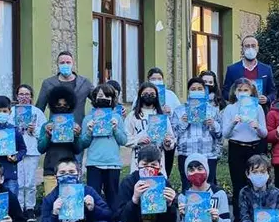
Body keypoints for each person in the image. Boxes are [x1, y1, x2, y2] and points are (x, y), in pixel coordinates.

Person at [221, 78, 267, 222]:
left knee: (257, 183)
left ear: (252, 92)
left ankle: (259, 220)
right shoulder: (230, 109)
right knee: (238, 186)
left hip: (254, 148)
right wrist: (233, 123)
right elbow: (224, 134)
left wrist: (257, 126)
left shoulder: (258, 108)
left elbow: (264, 133)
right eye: (239, 90)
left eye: (246, 90)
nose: (242, 93)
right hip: (236, 148)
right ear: (234, 92)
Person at [79, 84, 128, 212]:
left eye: (107, 96)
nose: (103, 98)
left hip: (112, 164)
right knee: (93, 198)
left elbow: (123, 140)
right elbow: (82, 143)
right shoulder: (88, 118)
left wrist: (115, 128)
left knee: (113, 198)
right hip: (94, 163)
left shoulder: (117, 118)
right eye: (100, 95)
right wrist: (89, 131)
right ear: (94, 98)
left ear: (112, 99)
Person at [171, 78, 223, 192]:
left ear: (205, 91)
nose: (196, 91)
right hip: (186, 154)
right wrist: (183, 122)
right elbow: (173, 134)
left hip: (208, 155)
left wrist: (213, 124)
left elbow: (220, 135)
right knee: (188, 188)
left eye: (200, 89)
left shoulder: (212, 110)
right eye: (193, 89)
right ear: (188, 92)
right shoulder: (179, 111)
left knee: (208, 188)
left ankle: (210, 210)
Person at [36, 51, 94, 143]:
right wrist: (39, 130)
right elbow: (39, 108)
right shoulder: (48, 83)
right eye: (62, 63)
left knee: (77, 156)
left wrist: (116, 107)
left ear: (73, 63)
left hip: (77, 130)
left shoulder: (84, 82)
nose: (65, 65)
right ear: (57, 65)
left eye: (68, 62)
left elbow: (98, 99)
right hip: (55, 130)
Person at [9, 84, 48, 222]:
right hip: (15, 151)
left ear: (31, 97)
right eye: (21, 94)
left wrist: (33, 130)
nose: (24, 97)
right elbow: (6, 133)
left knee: (30, 181)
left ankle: (30, 208)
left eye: (27, 94)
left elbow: (44, 134)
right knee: (19, 181)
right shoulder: (11, 112)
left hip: (32, 150)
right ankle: (19, 207)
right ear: (16, 96)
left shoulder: (37, 112)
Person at [37, 86, 82, 195]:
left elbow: (78, 149)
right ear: (53, 105)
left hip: (69, 170)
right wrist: (48, 136)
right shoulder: (47, 126)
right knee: (51, 202)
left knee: (69, 202)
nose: (62, 107)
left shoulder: (73, 125)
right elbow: (41, 148)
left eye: (65, 105)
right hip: (51, 170)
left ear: (70, 106)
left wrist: (76, 136)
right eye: (58, 105)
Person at [124, 82, 176, 173]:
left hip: (158, 160)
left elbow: (170, 137)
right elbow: (125, 137)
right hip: (138, 159)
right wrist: (138, 140)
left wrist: (168, 143)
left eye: (152, 94)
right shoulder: (132, 116)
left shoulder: (161, 116)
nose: (149, 96)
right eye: (146, 94)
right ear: (140, 95)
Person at [221, 36, 276, 106]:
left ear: (257, 48)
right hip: (239, 111)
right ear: (242, 49)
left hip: (260, 110)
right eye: (247, 46)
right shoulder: (232, 69)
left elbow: (273, 92)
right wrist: (236, 97)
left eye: (253, 46)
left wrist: (267, 98)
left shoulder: (266, 69)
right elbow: (225, 92)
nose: (250, 48)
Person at [147, 67, 182, 177]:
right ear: (148, 80)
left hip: (167, 137)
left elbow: (179, 115)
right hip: (149, 137)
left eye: (159, 78)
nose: (156, 81)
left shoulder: (170, 95)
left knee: (166, 168)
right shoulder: (142, 94)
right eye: (153, 78)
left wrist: (170, 112)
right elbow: (137, 112)